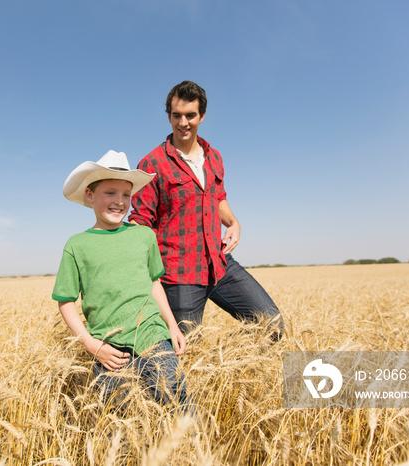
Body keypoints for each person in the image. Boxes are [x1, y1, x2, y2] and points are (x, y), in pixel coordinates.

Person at [128, 80, 284, 338]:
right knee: (189, 351)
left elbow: (216, 196)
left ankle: (231, 367)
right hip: (179, 274)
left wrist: (233, 222)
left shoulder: (214, 157)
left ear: (201, 116)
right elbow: (141, 219)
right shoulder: (152, 162)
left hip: (219, 263)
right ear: (168, 117)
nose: (183, 122)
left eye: (190, 115)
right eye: (176, 115)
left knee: (272, 325)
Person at [52, 150, 188, 409]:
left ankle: (186, 450)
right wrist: (91, 344)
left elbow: (154, 283)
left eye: (126, 194)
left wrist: (171, 325)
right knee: (119, 425)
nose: (120, 201)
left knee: (177, 408)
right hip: (108, 348)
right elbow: (66, 301)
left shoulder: (144, 235)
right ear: (90, 196)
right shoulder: (77, 245)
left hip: (153, 337)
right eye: (110, 193)